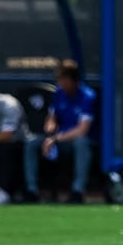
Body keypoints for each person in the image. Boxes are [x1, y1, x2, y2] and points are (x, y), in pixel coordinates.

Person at [23, 59, 95, 204]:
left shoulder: (88, 96)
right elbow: (52, 117)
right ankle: (31, 191)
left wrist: (55, 139)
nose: (60, 83)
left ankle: (77, 191)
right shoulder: (59, 93)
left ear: (72, 79)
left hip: (74, 140)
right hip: (57, 139)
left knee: (81, 143)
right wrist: (50, 126)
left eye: (62, 79)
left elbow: (82, 130)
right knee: (31, 143)